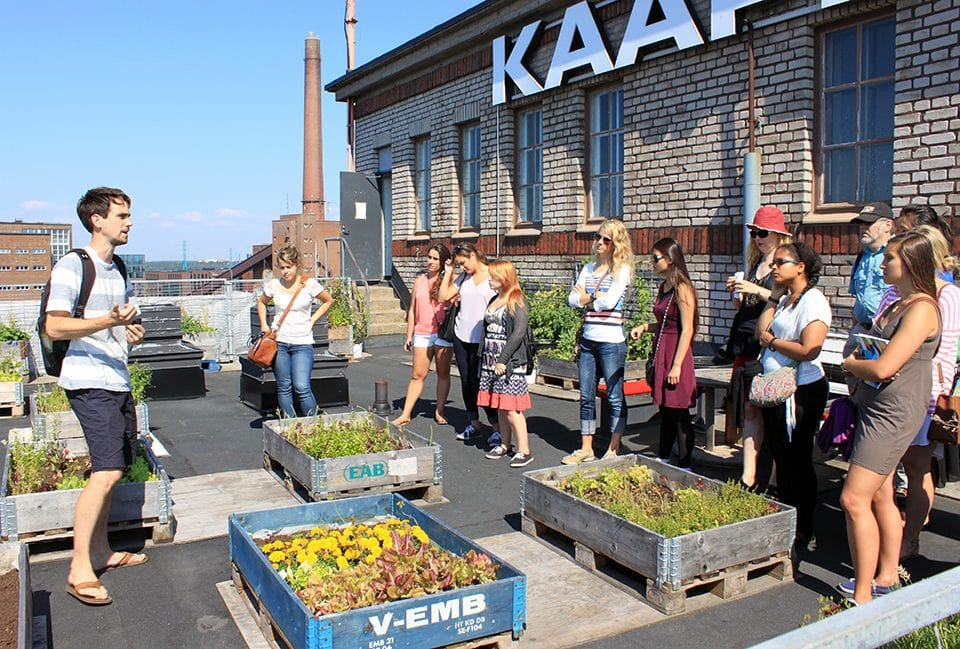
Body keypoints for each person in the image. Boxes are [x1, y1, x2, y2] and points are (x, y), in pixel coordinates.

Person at [45, 187, 147, 606]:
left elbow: (115, 325)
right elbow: (55, 327)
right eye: (121, 215)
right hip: (89, 381)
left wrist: (128, 331)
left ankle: (102, 552)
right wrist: (106, 319)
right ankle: (78, 569)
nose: (129, 222)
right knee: (105, 471)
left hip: (115, 377)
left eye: (128, 214)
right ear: (97, 220)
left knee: (115, 469)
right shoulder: (73, 265)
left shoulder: (117, 267)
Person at [838, 231, 941, 605]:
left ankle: (863, 595)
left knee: (852, 499)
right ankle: (885, 577)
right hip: (876, 406)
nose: (883, 264)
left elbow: (884, 367)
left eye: (890, 258)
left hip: (893, 412)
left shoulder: (922, 308)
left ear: (911, 263)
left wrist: (851, 365)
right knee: (880, 494)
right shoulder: (899, 302)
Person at [874, 226, 959, 560]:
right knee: (885, 468)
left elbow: (945, 349)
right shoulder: (894, 293)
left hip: (923, 391)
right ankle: (888, 534)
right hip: (885, 391)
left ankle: (911, 538)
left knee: (917, 465)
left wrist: (935, 392)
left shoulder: (946, 295)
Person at [754, 241, 831, 554]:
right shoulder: (785, 300)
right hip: (777, 388)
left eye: (781, 262)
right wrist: (772, 296)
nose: (775, 266)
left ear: (801, 266)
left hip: (801, 390)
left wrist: (773, 343)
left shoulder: (813, 301)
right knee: (781, 457)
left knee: (797, 459)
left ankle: (804, 528)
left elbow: (810, 348)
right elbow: (762, 331)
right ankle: (786, 520)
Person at [724, 206, 792, 489]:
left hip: (769, 345)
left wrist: (757, 290)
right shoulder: (754, 264)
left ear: (778, 235)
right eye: (754, 233)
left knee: (769, 411)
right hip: (745, 340)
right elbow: (745, 307)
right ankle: (748, 475)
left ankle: (775, 476)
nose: (758, 238)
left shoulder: (783, 264)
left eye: (763, 233)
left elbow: (788, 300)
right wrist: (737, 295)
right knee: (749, 409)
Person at [561, 221, 634, 464]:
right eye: (598, 237)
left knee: (614, 396)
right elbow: (572, 299)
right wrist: (593, 297)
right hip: (589, 340)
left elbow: (610, 302)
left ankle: (614, 448)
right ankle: (586, 447)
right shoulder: (588, 268)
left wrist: (587, 298)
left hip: (612, 342)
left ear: (616, 244)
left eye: (606, 240)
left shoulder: (621, 270)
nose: (599, 243)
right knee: (586, 395)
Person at [631, 237, 698, 468]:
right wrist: (644, 327)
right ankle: (664, 456)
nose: (652, 262)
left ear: (669, 259)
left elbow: (687, 328)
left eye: (655, 258)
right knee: (666, 410)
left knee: (679, 412)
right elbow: (664, 323)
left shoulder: (682, 287)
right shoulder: (664, 286)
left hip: (676, 353)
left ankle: (685, 463)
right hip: (662, 350)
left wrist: (677, 365)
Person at [257, 246, 334, 418]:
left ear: (296, 265)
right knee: (284, 386)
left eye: (289, 267)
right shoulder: (274, 285)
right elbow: (261, 302)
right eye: (282, 267)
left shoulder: (309, 285)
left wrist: (313, 320)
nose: (285, 271)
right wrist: (264, 324)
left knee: (302, 386)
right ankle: (290, 425)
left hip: (302, 343)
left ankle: (314, 425)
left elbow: (328, 300)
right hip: (279, 343)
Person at [439, 243, 501, 446]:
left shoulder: (492, 273)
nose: (462, 267)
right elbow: (443, 296)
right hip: (461, 336)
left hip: (484, 338)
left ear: (473, 255)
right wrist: (448, 272)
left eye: (463, 263)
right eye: (459, 264)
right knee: (466, 381)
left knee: (483, 382)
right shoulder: (463, 277)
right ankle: (474, 423)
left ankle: (497, 428)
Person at [477, 260, 535, 468]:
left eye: (494, 276)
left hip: (509, 361)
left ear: (505, 278)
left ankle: (524, 450)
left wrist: (503, 359)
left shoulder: (516, 299)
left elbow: (519, 332)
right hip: (490, 360)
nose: (490, 279)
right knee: (499, 404)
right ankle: (504, 443)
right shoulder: (495, 298)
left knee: (511, 407)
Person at [392, 243, 454, 426]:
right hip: (422, 332)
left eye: (435, 259)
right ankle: (405, 414)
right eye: (430, 257)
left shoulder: (450, 280)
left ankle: (439, 411)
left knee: (443, 373)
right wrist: (409, 334)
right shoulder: (419, 280)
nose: (431, 261)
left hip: (442, 334)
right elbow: (412, 310)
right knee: (418, 375)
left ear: (443, 262)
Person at [843, 202, 895, 388]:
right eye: (861, 224)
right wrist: (855, 330)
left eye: (869, 223)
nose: (863, 228)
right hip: (861, 330)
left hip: (884, 335)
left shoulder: (896, 255)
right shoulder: (862, 257)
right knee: (853, 384)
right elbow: (858, 298)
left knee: (875, 391)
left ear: (887, 225)